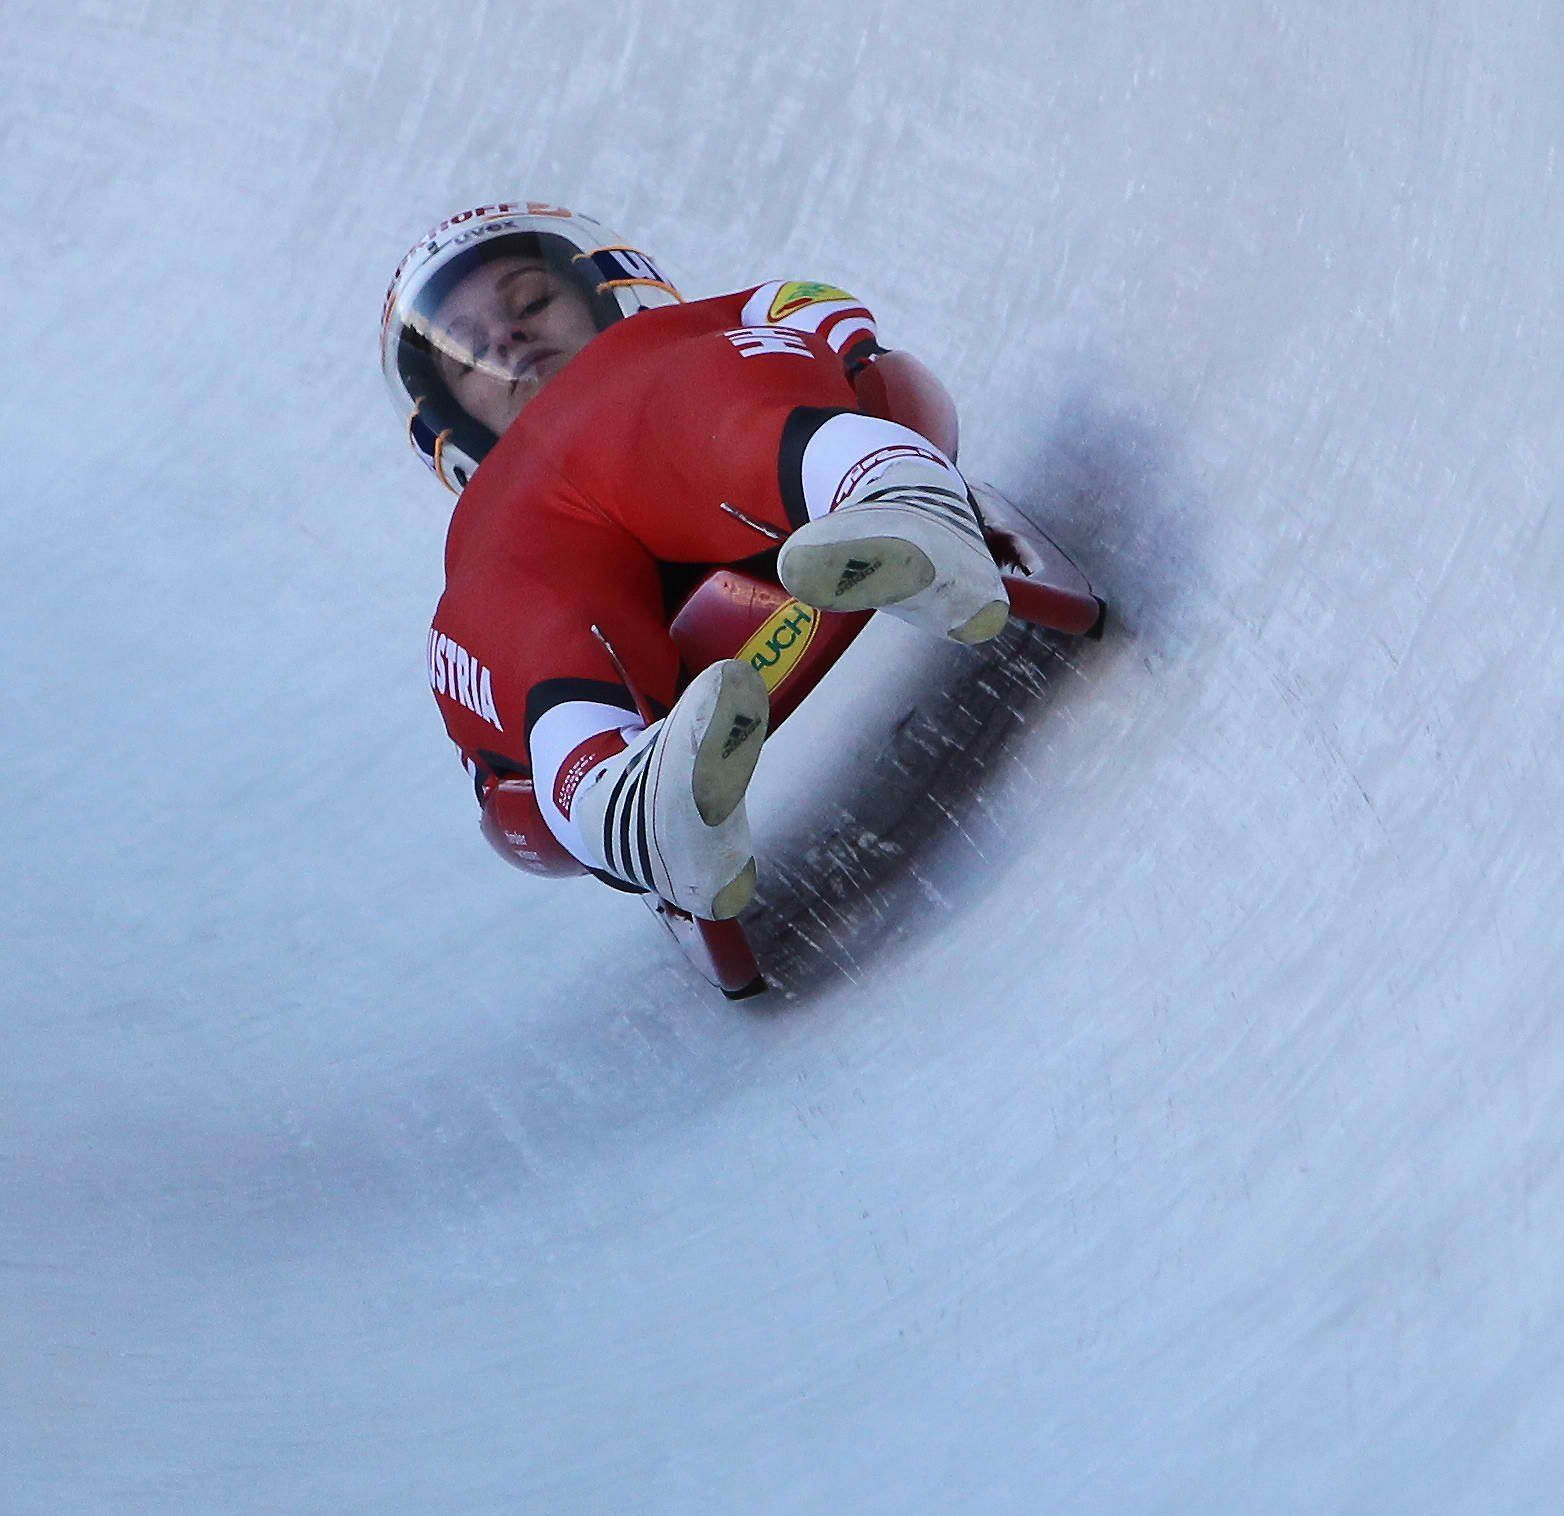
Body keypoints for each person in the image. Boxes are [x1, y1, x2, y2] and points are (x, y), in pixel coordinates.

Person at [381, 202, 1009, 920]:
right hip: (553, 544)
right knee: (497, 595)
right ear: (454, 416)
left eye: (532, 301)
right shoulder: (486, 524)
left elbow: (801, 304)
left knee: (695, 406)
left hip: (686, 431)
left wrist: (841, 349)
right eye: (468, 355)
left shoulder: (662, 345)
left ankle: (894, 503)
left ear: (601, 294)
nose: (507, 339)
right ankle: (623, 798)